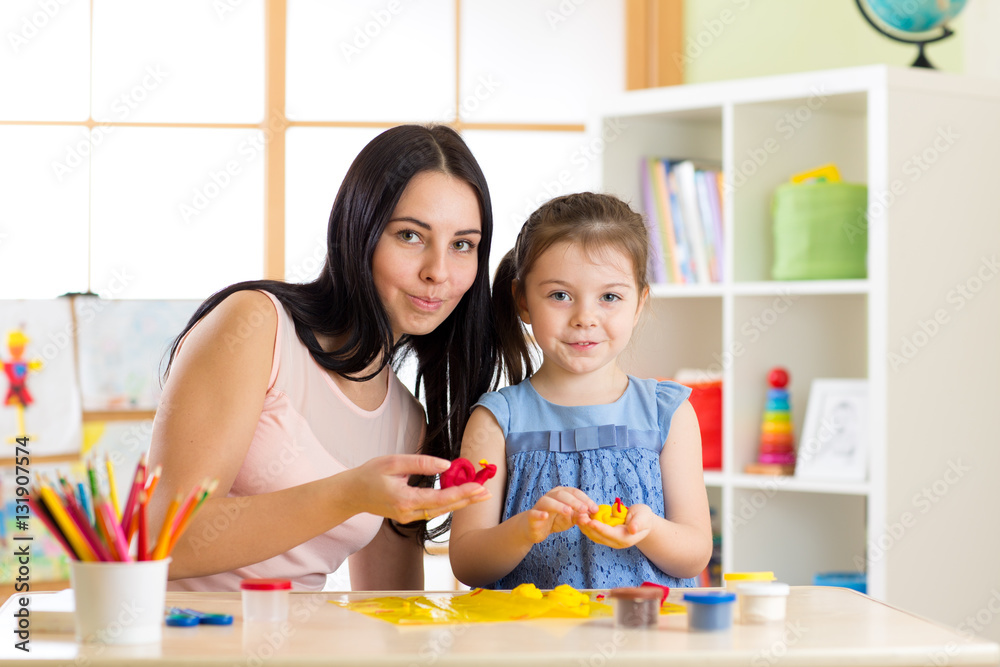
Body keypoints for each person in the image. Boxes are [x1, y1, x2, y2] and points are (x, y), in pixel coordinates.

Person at [148, 124, 498, 592]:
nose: (438, 271)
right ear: (359, 231)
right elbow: (160, 540)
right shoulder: (257, 326)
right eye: (411, 236)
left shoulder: (406, 423)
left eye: (462, 245)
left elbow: (390, 604)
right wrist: (350, 493)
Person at [448, 192, 713, 590]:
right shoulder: (495, 420)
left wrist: (648, 529)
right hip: (531, 643)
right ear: (522, 300)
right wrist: (526, 529)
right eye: (560, 295)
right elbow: (468, 563)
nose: (585, 318)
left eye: (610, 297)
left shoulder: (667, 413)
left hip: (646, 641)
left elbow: (695, 552)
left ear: (639, 303)